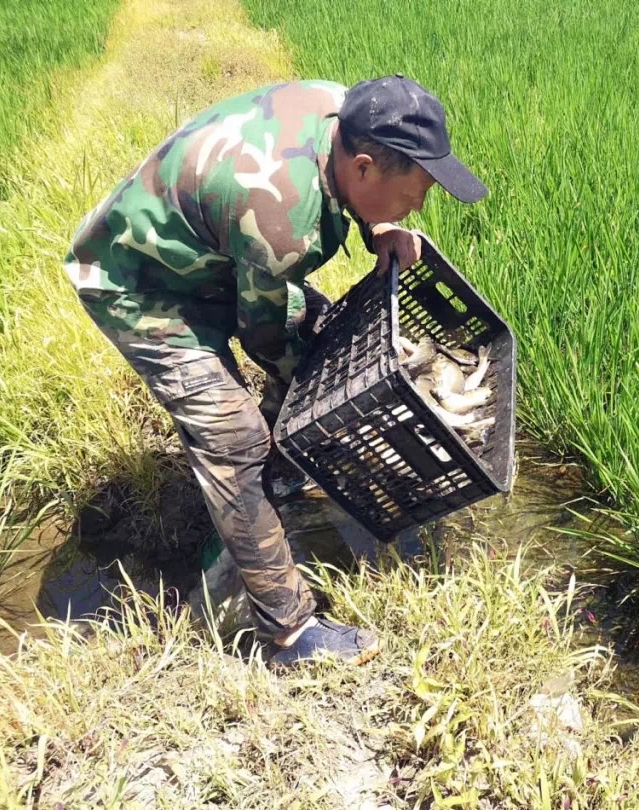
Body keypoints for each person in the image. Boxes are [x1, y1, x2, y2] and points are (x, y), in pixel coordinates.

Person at [63, 74, 487, 667]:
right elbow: (264, 333)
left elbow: (280, 294)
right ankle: (289, 635)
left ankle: (271, 486)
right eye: (411, 195)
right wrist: (326, 383)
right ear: (363, 168)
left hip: (216, 253)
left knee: (313, 351)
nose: (418, 207)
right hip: (141, 282)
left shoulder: (342, 108)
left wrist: (380, 225)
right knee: (234, 436)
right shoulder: (283, 217)